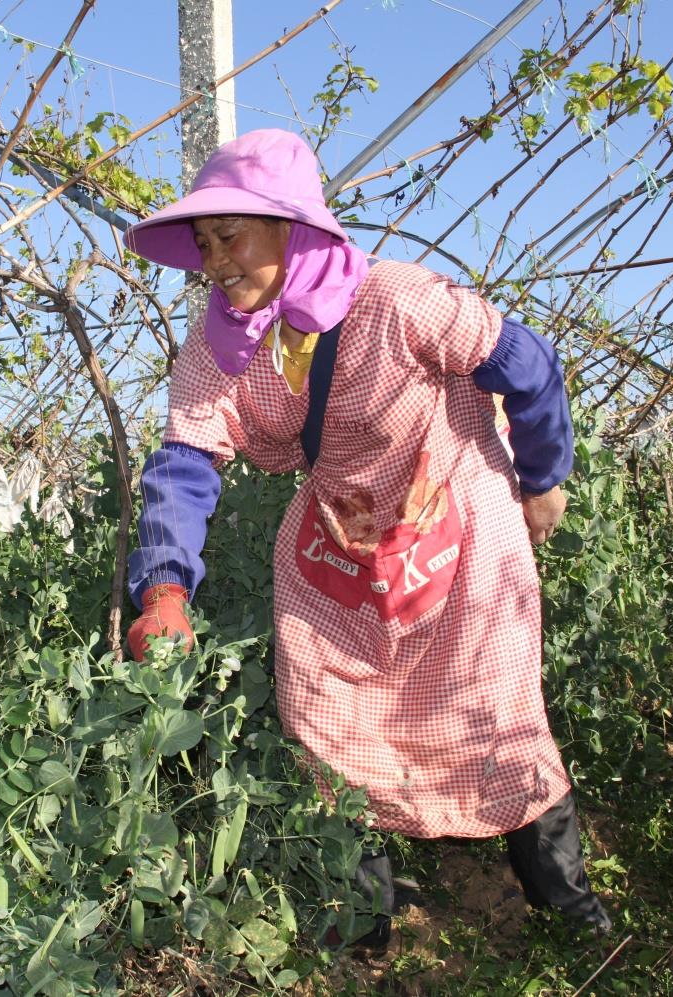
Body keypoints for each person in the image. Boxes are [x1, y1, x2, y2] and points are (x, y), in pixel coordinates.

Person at [121, 130, 611, 948]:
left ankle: (570, 913)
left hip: (459, 530)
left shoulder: (395, 300)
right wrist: (163, 588)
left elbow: (523, 361)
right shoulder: (220, 347)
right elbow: (182, 464)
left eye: (230, 236)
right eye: (203, 244)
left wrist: (541, 477)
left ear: (293, 228)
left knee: (492, 708)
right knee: (328, 723)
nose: (214, 261)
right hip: (339, 550)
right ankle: (360, 933)